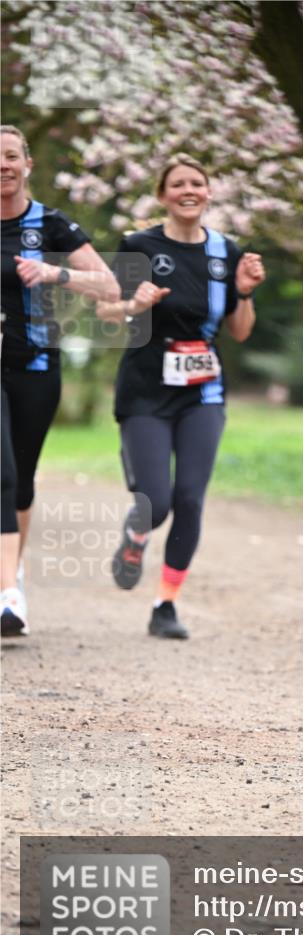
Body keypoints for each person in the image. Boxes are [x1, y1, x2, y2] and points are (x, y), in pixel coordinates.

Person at [97, 153, 265, 639]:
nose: (188, 190)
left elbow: (239, 331)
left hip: (203, 391)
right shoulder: (139, 245)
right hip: (146, 389)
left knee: (190, 499)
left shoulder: (225, 251)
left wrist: (246, 293)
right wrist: (136, 303)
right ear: (162, 195)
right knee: (156, 502)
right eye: (178, 184)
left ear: (208, 192)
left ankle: (165, 605)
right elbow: (108, 315)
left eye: (197, 182)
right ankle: (136, 533)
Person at [1, 124, 120, 638]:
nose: (2, 165)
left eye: (10, 156)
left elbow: (111, 285)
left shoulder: (50, 224)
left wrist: (56, 275)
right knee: (1, 476)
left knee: (21, 480)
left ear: (28, 165)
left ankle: (13, 573)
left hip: (36, 368)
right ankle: (8, 593)